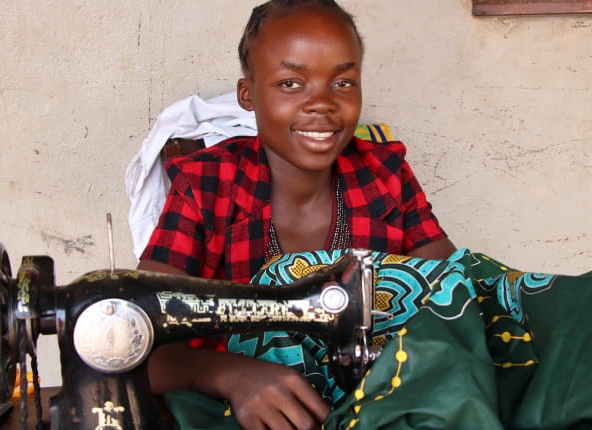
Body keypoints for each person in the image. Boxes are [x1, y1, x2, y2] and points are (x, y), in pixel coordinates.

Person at [137, 0, 457, 428]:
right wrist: (228, 374)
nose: (321, 103)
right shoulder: (208, 185)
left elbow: (457, 298)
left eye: (343, 82)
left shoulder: (385, 176)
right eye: (291, 83)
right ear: (247, 95)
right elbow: (139, 336)